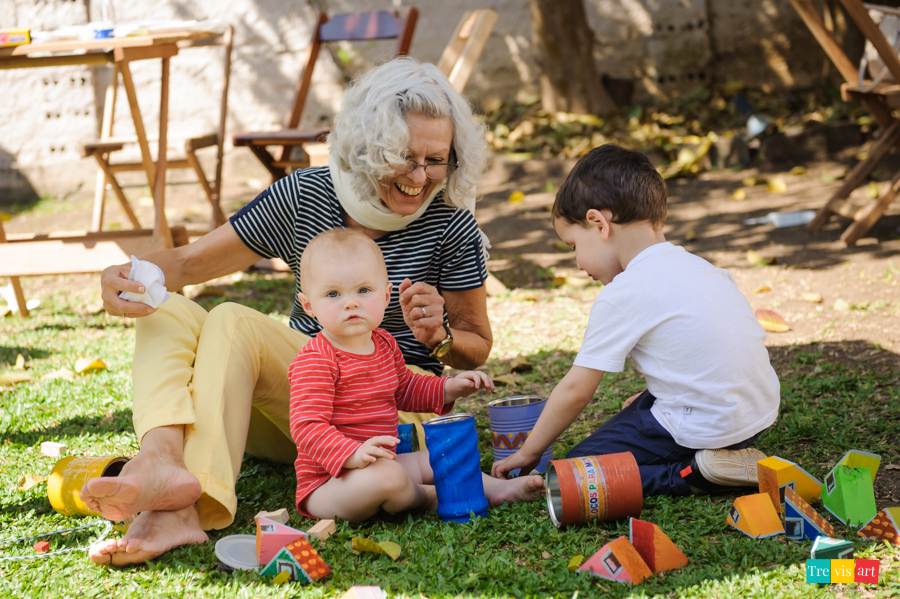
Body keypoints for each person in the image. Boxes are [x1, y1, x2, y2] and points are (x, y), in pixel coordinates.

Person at [83, 57, 542, 567]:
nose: (421, 177)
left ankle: (184, 508)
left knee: (232, 320)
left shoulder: (450, 222)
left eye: (437, 160)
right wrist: (127, 276)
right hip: (303, 412)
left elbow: (476, 347)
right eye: (405, 157)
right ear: (369, 147)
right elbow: (187, 264)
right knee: (163, 307)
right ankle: (162, 459)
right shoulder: (306, 195)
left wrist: (439, 337)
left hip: (386, 413)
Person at [492, 145, 780, 496]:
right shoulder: (704, 268)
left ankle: (694, 472)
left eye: (573, 246)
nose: (579, 264)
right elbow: (706, 352)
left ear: (599, 223)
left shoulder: (624, 292)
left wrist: (530, 450)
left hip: (706, 426)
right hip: (755, 416)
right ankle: (726, 454)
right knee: (638, 408)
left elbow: (576, 390)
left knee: (577, 470)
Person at [291, 229, 541, 521]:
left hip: (384, 462)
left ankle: (500, 488)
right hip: (331, 482)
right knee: (389, 477)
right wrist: (351, 454)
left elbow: (406, 388)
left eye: (363, 290)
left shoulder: (383, 343)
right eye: (333, 294)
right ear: (308, 305)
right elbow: (307, 427)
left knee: (440, 456)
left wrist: (449, 388)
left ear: (386, 296)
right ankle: (431, 497)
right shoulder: (316, 359)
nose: (350, 302)